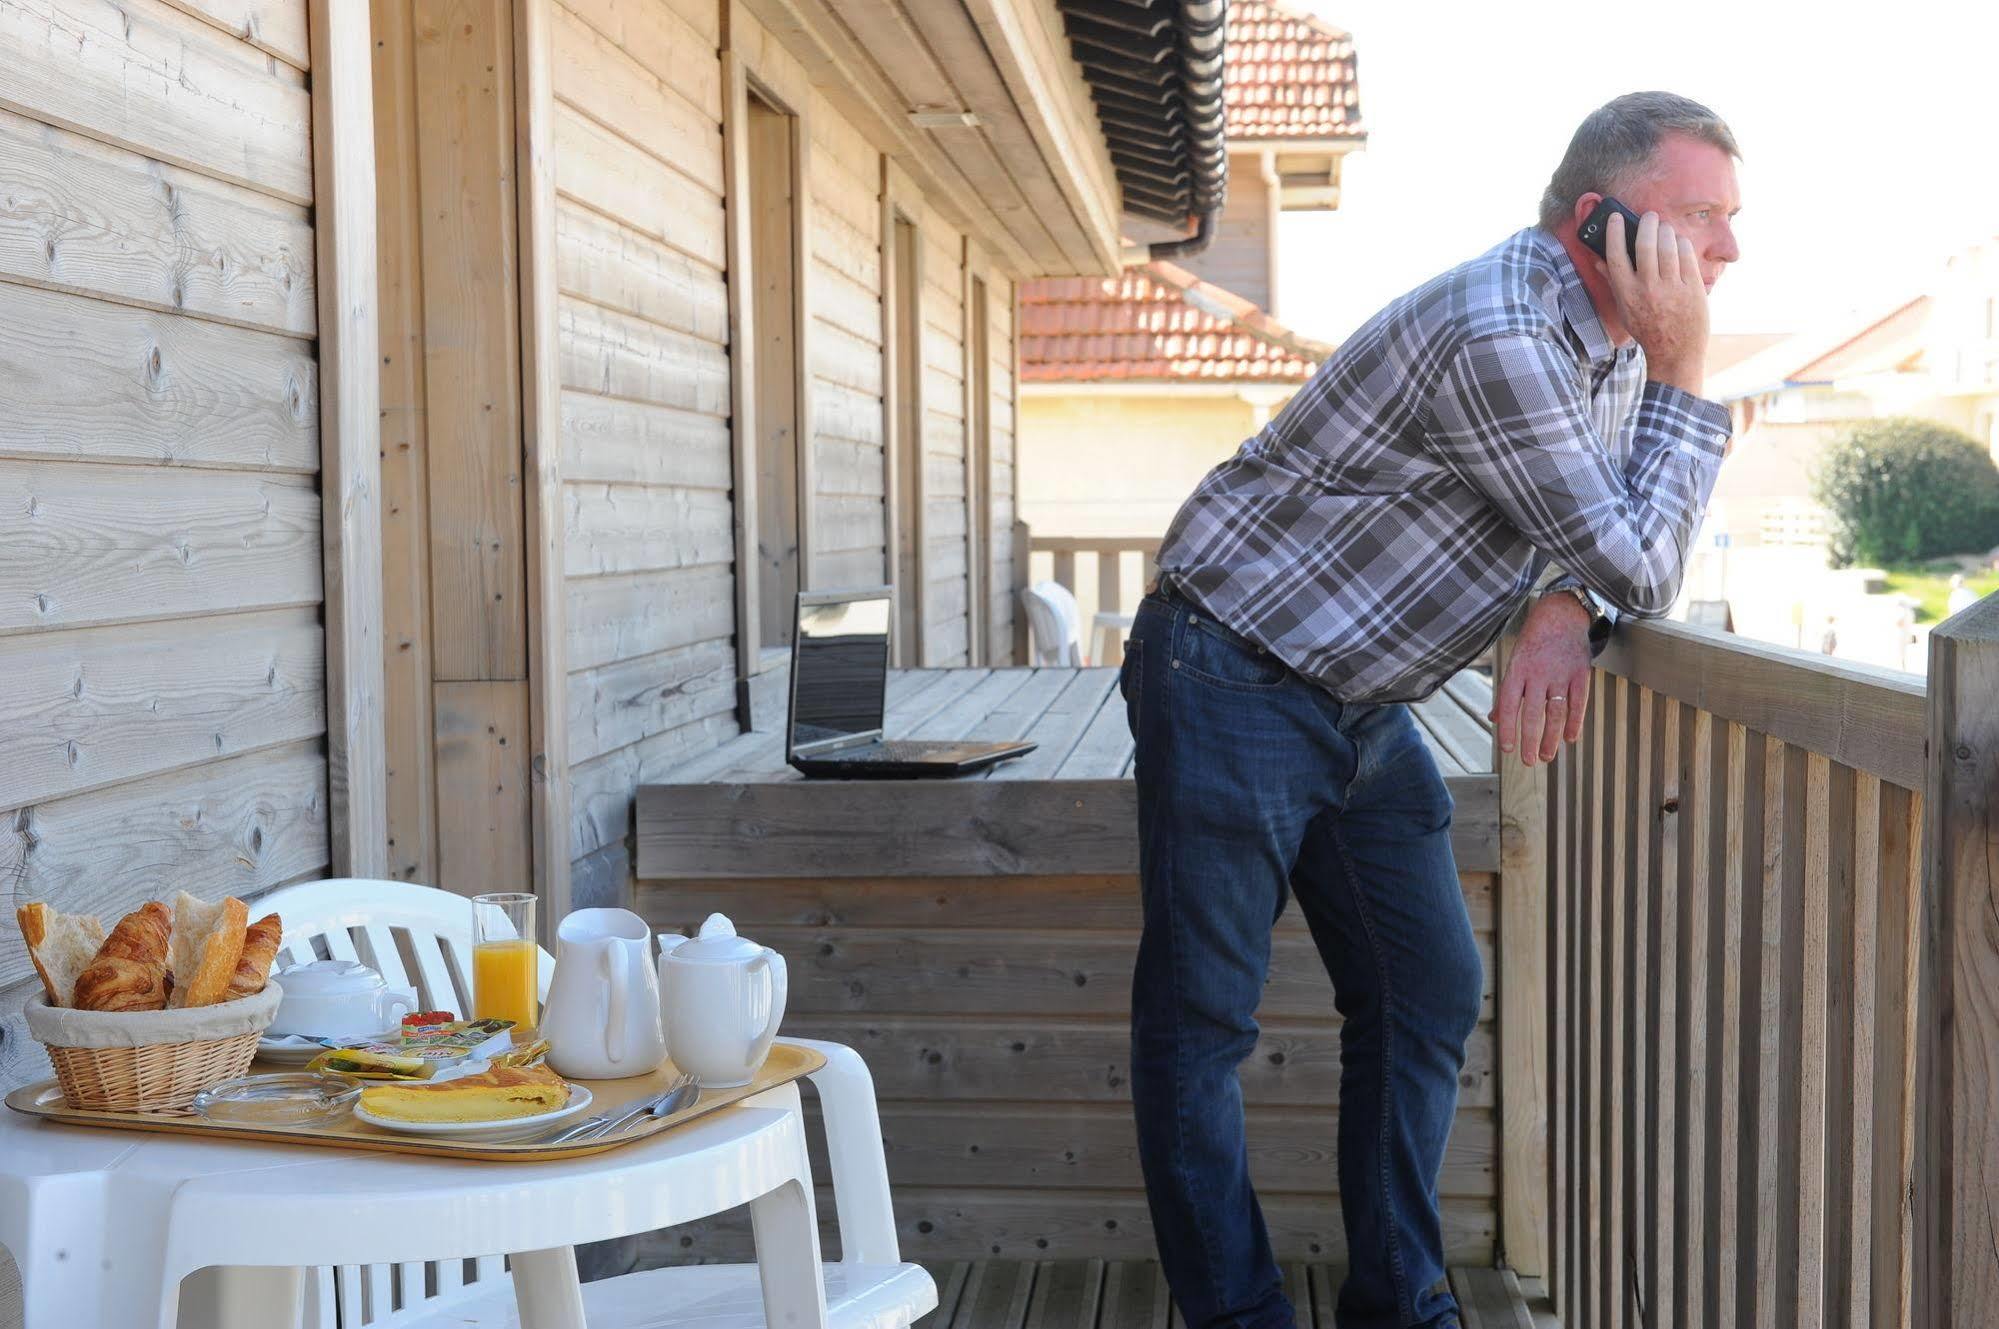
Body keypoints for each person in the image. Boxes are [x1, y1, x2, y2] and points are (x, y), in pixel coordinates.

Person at [1121, 92, 1740, 1329]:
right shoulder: (1502, 333)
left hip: (1356, 704)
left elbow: (1599, 548)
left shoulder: (1605, 344)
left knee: (1428, 987)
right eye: (1699, 220)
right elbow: (1642, 557)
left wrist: (1564, 604)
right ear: (1599, 221)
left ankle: (1398, 1299)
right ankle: (1234, 1315)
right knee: (1200, 1023)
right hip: (1227, 665)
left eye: (1731, 224)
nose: (1725, 253)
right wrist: (1686, 374)